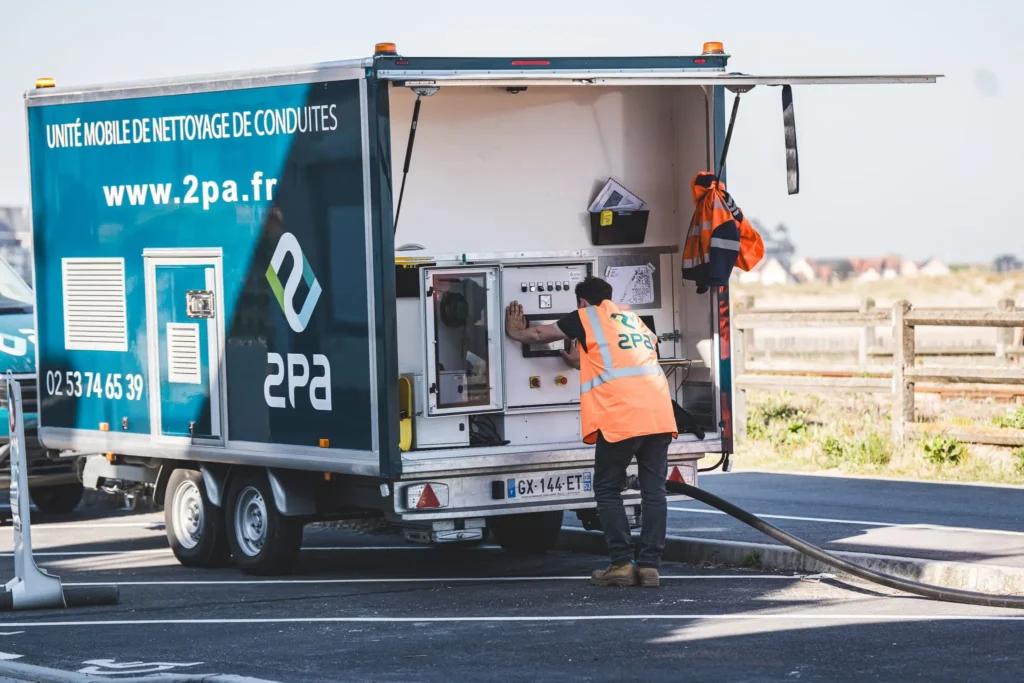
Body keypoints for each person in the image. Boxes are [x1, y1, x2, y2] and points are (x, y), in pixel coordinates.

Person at [505, 276, 677, 587]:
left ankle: (621, 564)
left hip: (621, 417)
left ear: (582, 302)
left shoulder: (587, 316)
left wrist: (516, 331)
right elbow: (624, 363)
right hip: (659, 414)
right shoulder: (633, 320)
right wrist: (579, 362)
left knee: (607, 489)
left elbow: (541, 334)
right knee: (654, 492)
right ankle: (650, 566)